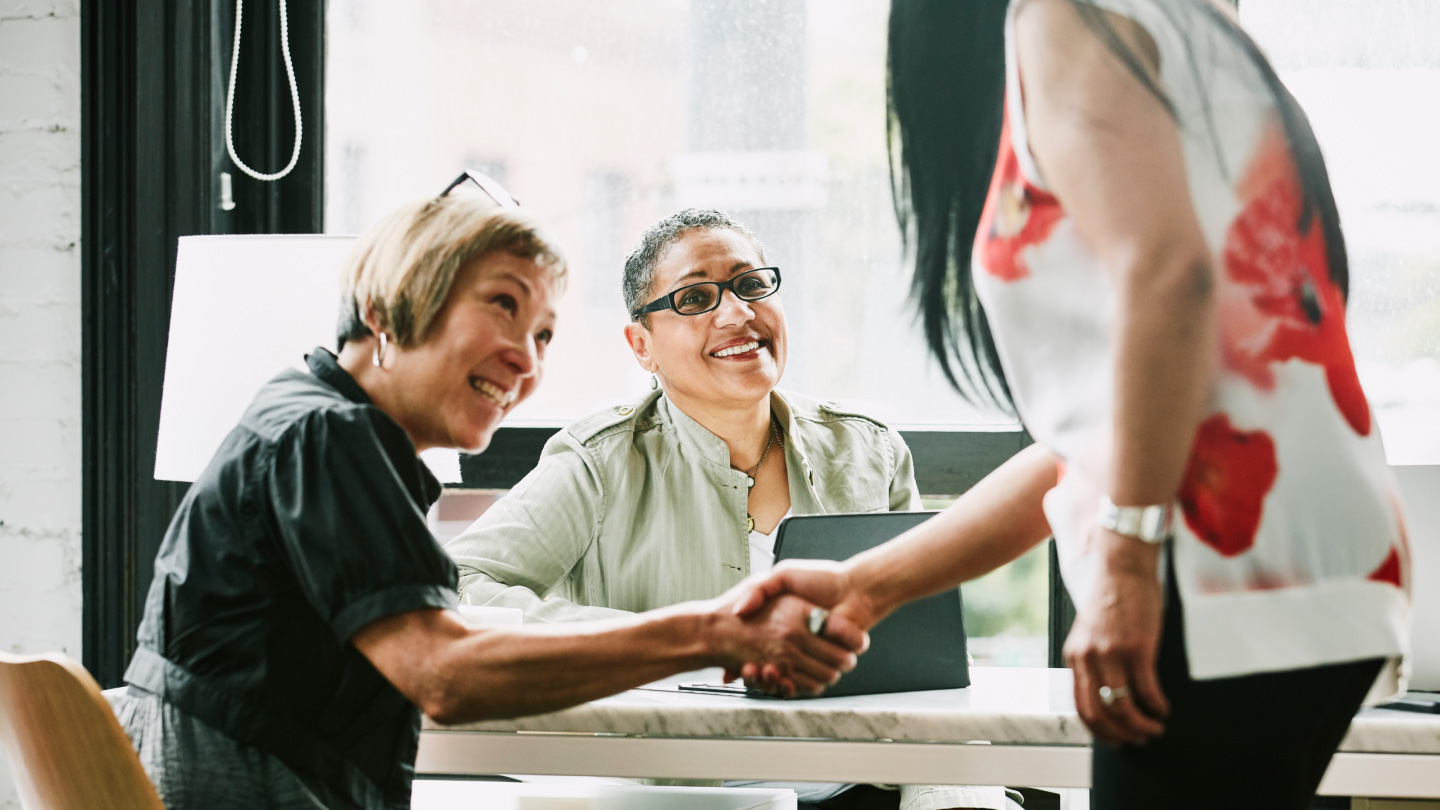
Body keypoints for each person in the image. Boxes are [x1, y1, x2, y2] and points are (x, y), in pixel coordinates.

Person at [735, 2, 1411, 809]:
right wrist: (868, 586)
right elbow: (1094, 449)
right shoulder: (1171, 30)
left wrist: (1128, 566)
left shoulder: (1062, 18)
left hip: (1211, 570)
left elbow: (1170, 272)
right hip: (1300, 556)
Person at [107, 179, 865, 810]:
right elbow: (444, 674)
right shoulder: (327, 438)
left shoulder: (310, 417)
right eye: (503, 306)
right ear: (388, 311)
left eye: (543, 335)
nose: (524, 361)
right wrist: (714, 634)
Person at [445, 208, 1016, 810]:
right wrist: (650, 642)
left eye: (750, 285)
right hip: (677, 793)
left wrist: (952, 796)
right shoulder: (599, 461)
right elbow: (458, 584)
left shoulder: (868, 450)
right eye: (695, 297)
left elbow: (928, 655)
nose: (738, 313)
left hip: (857, 787)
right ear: (642, 345)